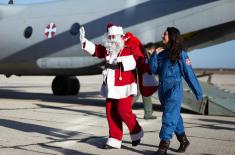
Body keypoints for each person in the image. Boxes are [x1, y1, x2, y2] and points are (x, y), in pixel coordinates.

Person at [79, 23, 144, 149]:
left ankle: (136, 132)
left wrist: (123, 62)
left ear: (120, 36)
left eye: (113, 37)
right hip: (110, 84)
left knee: (123, 111)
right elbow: (97, 50)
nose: (111, 39)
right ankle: (114, 139)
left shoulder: (129, 45)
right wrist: (85, 42)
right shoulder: (108, 48)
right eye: (109, 37)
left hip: (125, 84)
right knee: (111, 112)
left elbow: (138, 58)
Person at [149, 27, 203, 155]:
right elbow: (153, 70)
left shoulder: (181, 54)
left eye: (165, 34)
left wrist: (198, 92)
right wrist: (153, 55)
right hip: (163, 90)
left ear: (172, 36)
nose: (162, 35)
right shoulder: (161, 54)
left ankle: (163, 146)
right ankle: (183, 140)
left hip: (174, 90)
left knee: (168, 116)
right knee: (175, 117)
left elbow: (189, 74)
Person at [133, 42, 157, 120]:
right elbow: (143, 67)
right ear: (152, 49)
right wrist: (150, 69)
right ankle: (123, 110)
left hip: (143, 78)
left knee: (146, 95)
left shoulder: (145, 55)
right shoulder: (144, 56)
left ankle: (148, 114)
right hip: (141, 79)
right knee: (136, 95)